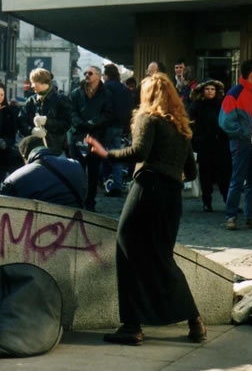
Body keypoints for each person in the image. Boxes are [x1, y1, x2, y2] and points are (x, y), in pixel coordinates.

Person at [85, 72, 206, 346]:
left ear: (147, 95)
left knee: (126, 249)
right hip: (171, 196)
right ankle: (195, 321)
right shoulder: (181, 127)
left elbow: (139, 152)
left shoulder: (147, 118)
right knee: (162, 257)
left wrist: (106, 154)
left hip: (147, 189)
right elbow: (192, 171)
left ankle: (131, 325)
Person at [219, 59, 252, 230]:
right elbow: (225, 121)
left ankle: (249, 216)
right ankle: (231, 216)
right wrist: (245, 135)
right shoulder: (235, 93)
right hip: (242, 143)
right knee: (238, 180)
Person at [69, 66, 111, 211]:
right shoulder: (76, 93)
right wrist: (81, 124)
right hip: (77, 136)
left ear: (98, 76)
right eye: (85, 73)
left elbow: (108, 114)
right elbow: (72, 111)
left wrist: (93, 123)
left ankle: (90, 202)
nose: (87, 75)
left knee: (93, 173)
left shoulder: (106, 94)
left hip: (96, 138)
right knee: (76, 171)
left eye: (90, 73)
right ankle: (77, 200)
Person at [1, 135, 86, 208]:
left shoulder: (13, 179)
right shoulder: (76, 165)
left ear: (24, 157)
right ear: (44, 146)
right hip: (77, 222)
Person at [188, 79, 231, 212]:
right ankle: (207, 202)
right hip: (204, 145)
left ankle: (227, 200)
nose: (210, 92)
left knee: (224, 174)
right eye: (207, 89)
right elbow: (190, 122)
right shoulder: (196, 105)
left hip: (221, 144)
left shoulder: (222, 104)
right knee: (205, 174)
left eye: (212, 89)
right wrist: (196, 138)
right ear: (202, 91)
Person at [18, 68, 71, 156]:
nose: (31, 86)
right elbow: (21, 121)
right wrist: (31, 130)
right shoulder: (31, 100)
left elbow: (67, 124)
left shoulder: (61, 99)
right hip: (34, 150)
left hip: (54, 150)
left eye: (33, 82)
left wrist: (47, 121)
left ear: (43, 82)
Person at [102, 63, 134, 197]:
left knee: (103, 154)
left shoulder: (105, 88)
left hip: (106, 126)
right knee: (117, 156)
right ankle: (118, 183)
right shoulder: (124, 89)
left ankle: (106, 182)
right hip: (119, 126)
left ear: (107, 75)